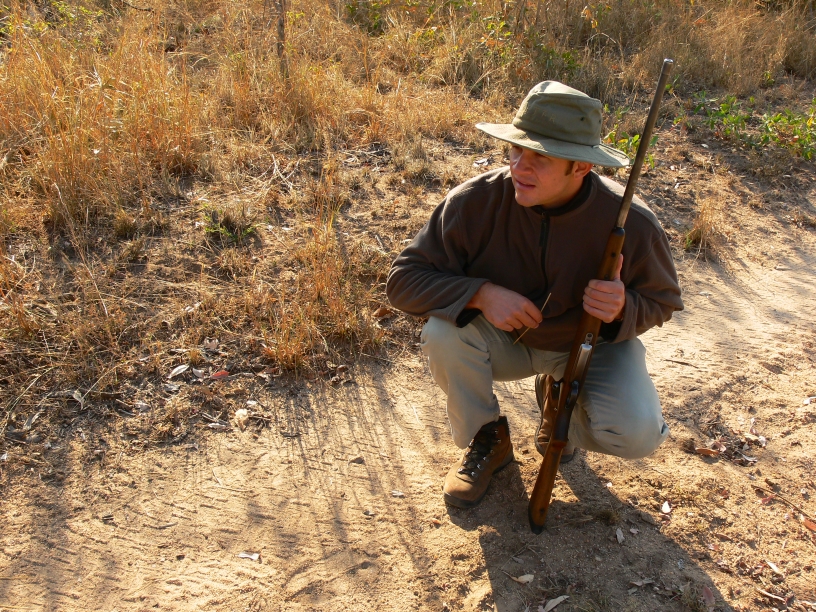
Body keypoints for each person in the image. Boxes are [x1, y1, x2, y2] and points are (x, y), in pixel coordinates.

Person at [385, 81, 683, 509]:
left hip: (589, 347)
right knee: (442, 333)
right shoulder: (474, 202)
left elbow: (664, 301)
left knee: (637, 433)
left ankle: (561, 409)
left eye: (541, 157)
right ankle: (488, 438)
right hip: (505, 343)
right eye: (515, 150)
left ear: (582, 166)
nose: (519, 167)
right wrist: (480, 294)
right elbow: (403, 280)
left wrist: (622, 307)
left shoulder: (632, 222)